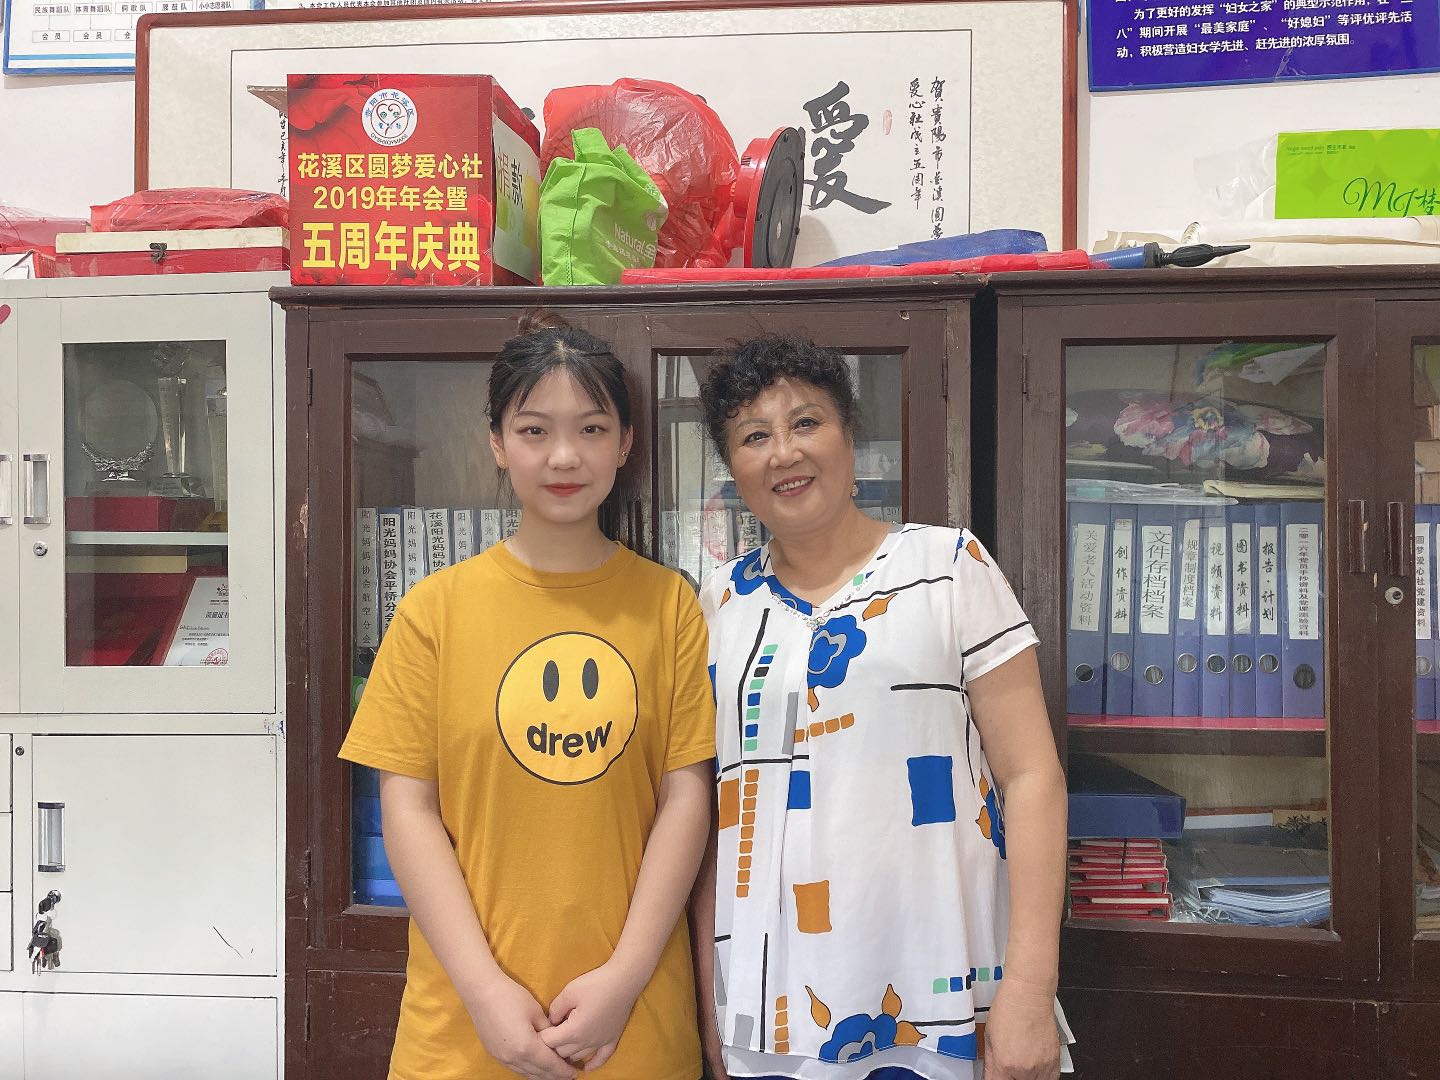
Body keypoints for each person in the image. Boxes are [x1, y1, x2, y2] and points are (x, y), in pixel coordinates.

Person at [340, 313, 716, 1080]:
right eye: (535, 430)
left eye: (591, 428)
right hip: (463, 1029)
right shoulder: (433, 612)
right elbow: (407, 809)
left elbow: (686, 797)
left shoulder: (670, 606)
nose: (564, 456)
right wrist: (484, 992)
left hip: (631, 1025)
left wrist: (625, 978)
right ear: (497, 443)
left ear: (626, 442)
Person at [691, 335, 1074, 1080]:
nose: (784, 453)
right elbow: (715, 816)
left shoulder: (948, 568)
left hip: (945, 996)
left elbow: (1032, 778)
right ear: (733, 468)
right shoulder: (718, 605)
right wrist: (713, 1002)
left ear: (849, 436)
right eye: (754, 436)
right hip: (771, 1015)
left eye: (806, 423)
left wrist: (1031, 989)